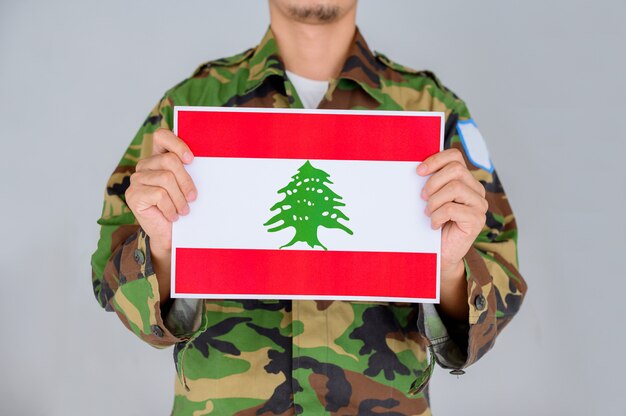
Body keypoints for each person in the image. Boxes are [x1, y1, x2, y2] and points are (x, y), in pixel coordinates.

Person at [91, 1, 527, 414]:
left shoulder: (433, 110)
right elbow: (110, 282)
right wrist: (164, 250)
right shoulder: (190, 105)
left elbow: (499, 283)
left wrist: (449, 271)